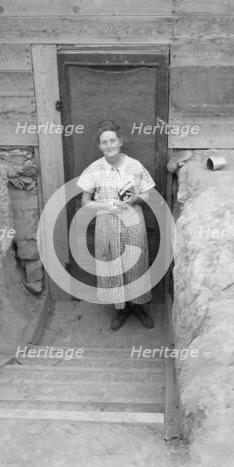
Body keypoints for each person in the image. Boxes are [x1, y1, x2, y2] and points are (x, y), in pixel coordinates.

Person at [76, 120, 155, 331]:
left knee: (135, 264)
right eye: (104, 142)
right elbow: (85, 202)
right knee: (112, 265)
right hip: (106, 224)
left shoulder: (135, 166)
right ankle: (120, 309)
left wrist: (136, 198)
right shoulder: (94, 169)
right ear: (99, 146)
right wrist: (105, 205)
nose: (109, 145)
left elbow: (148, 193)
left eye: (112, 140)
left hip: (132, 223)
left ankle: (138, 307)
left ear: (120, 142)